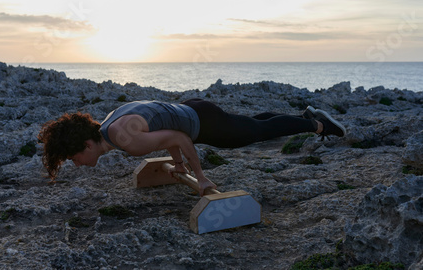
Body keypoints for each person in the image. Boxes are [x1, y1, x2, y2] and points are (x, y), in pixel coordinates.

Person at [38, 99, 346, 195]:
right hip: (194, 111)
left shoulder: (124, 140)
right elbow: (164, 131)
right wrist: (179, 165)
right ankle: (303, 116)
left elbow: (180, 139)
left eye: (73, 156)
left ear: (85, 144)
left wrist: (199, 177)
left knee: (256, 132)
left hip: (203, 123)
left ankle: (317, 124)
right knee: (252, 124)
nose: (76, 163)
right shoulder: (109, 125)